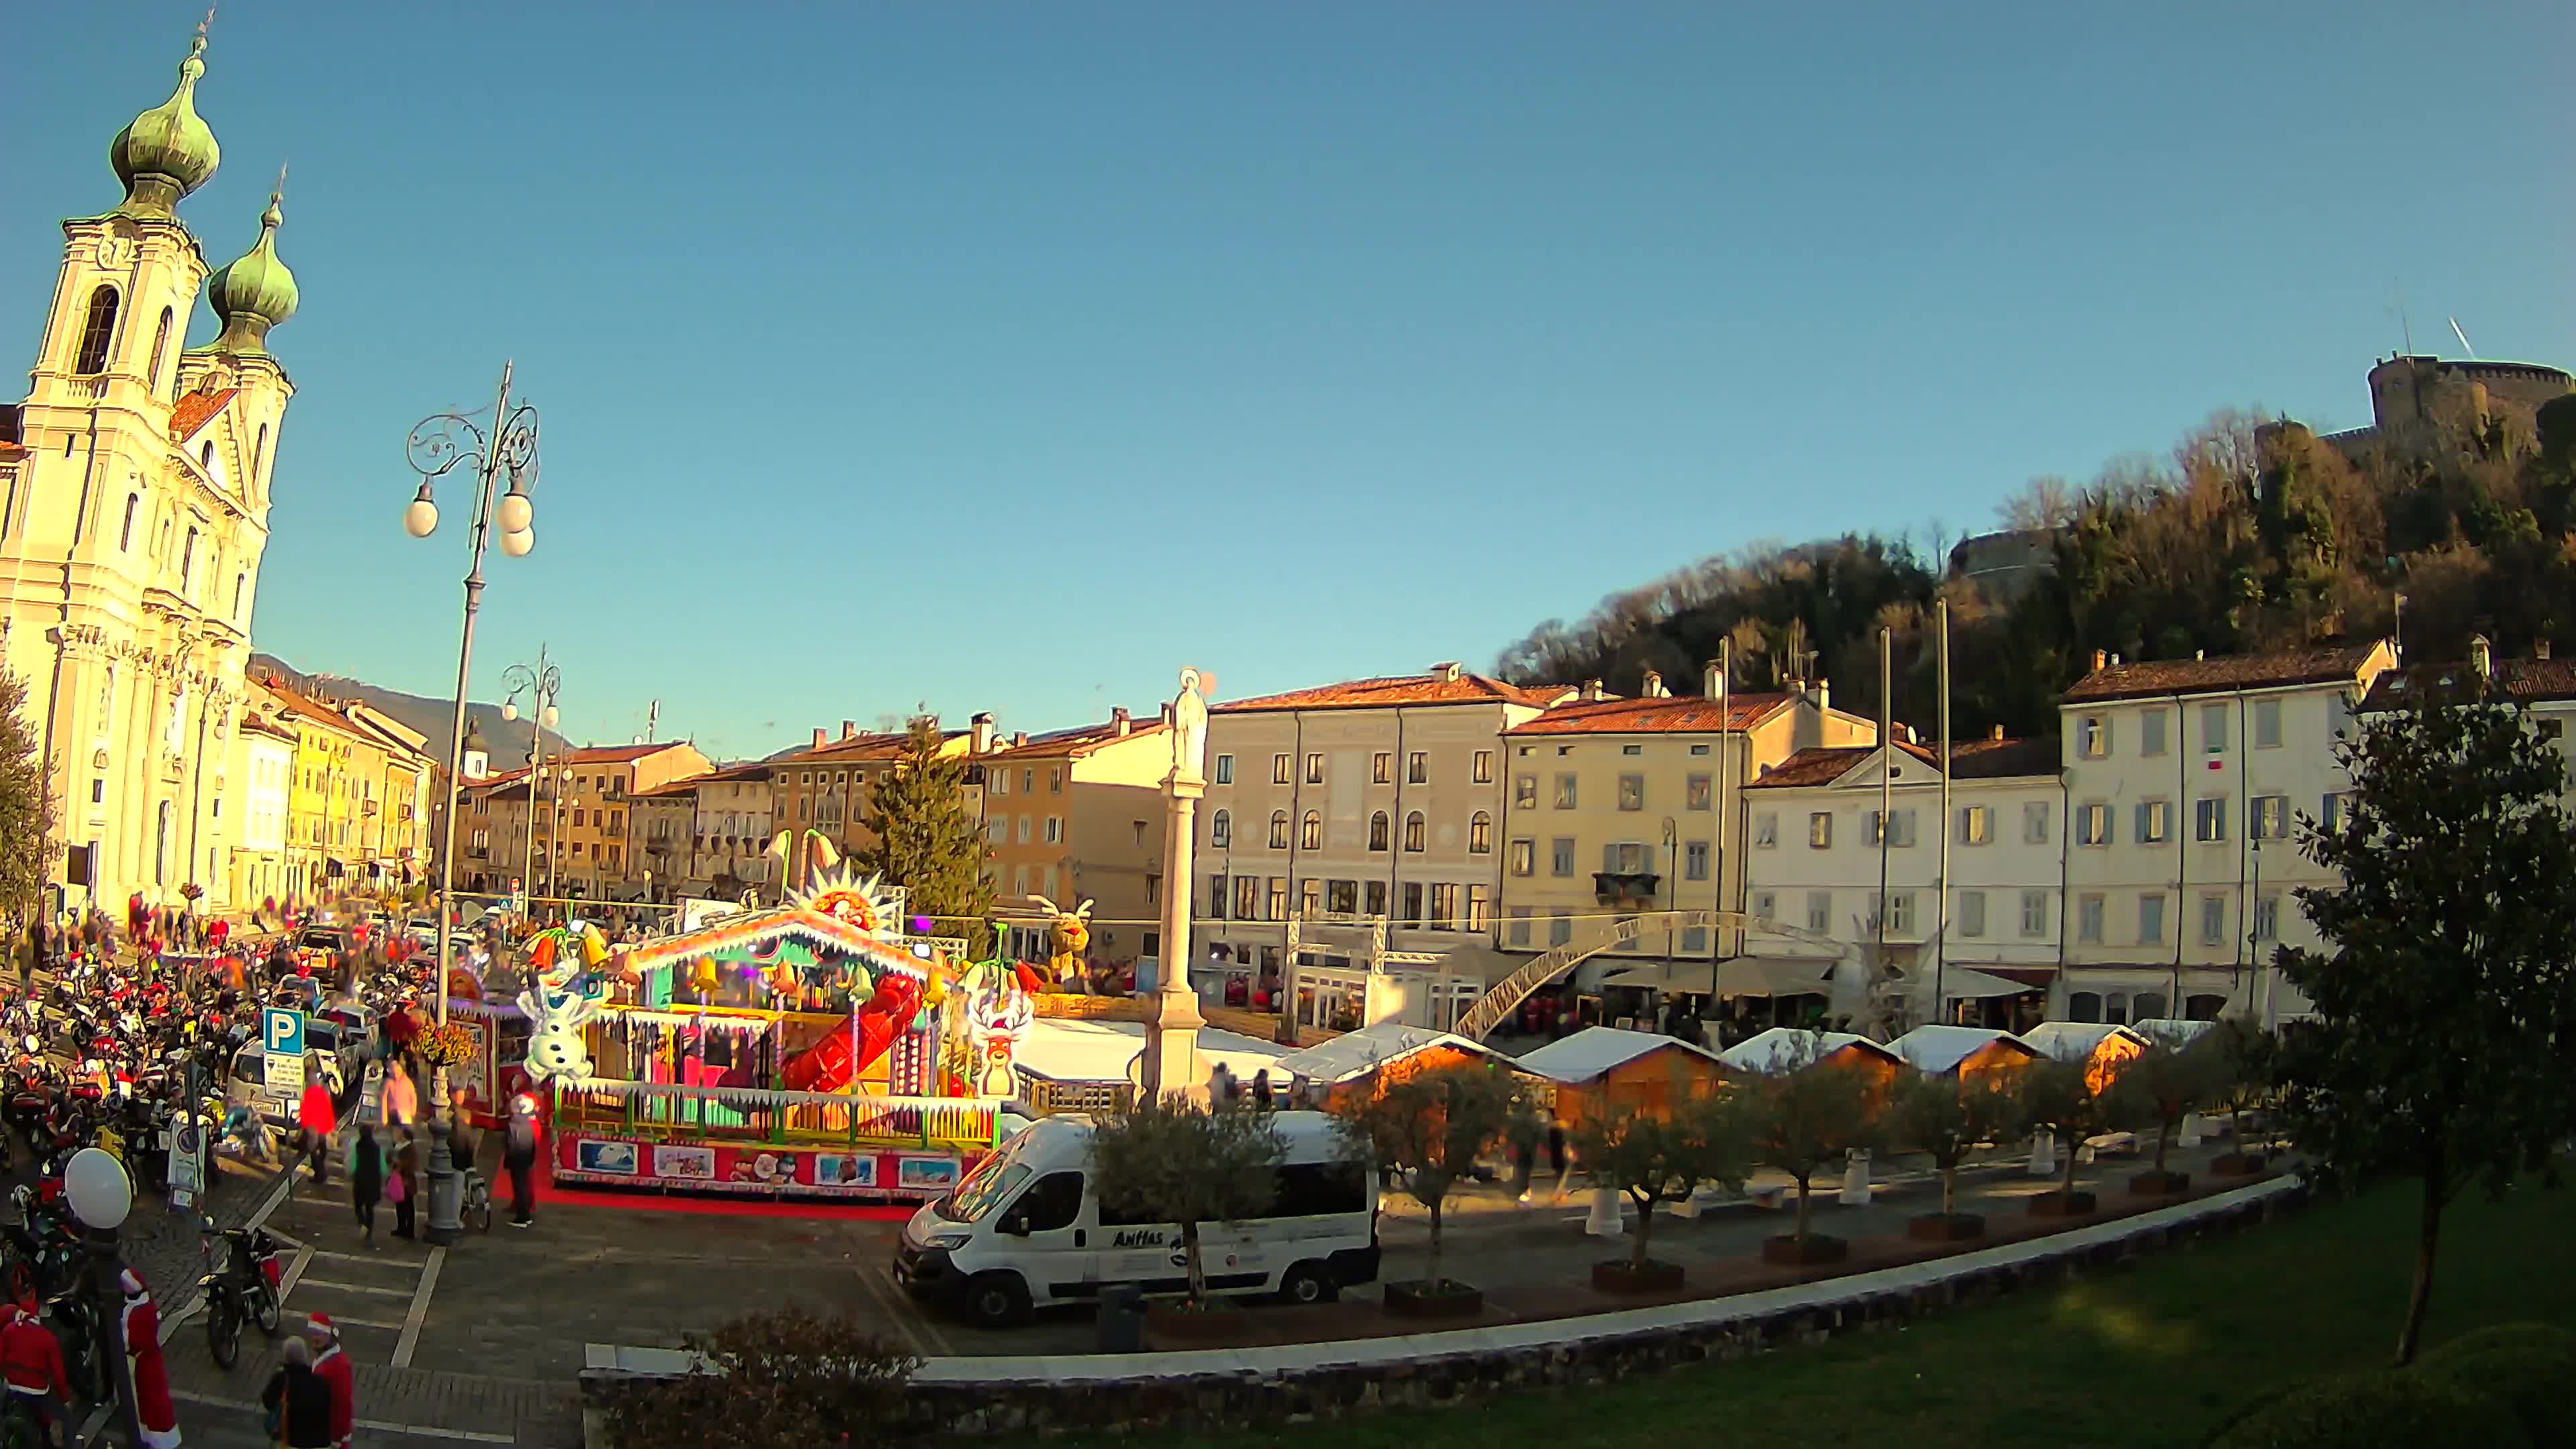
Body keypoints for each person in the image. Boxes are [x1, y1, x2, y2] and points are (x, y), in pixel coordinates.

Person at [117, 1270, 180, 1449]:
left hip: (141, 1366)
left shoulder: (136, 1313)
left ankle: (153, 1441)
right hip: (151, 1363)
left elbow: (128, 1342)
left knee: (147, 1406)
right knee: (156, 1404)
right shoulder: (147, 1305)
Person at [0, 1299, 68, 1448]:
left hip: (13, 1388)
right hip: (38, 1392)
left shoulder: (9, 1330)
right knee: (52, 1421)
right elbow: (59, 1374)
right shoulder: (47, 1338)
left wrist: (9, 1376)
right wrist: (65, 1398)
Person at [262, 1338, 334, 1449]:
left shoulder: (282, 1378)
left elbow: (268, 1402)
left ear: (285, 1357)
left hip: (293, 1442)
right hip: (321, 1443)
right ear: (305, 1355)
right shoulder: (320, 1378)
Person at [305, 1315, 354, 1449]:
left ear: (329, 1336)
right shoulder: (326, 1360)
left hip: (332, 1437)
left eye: (320, 1334)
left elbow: (343, 1403)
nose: (315, 1338)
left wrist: (337, 1438)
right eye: (313, 1333)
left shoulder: (339, 1365)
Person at [502, 1091, 541, 1228]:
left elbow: (510, 1145)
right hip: (526, 1160)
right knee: (524, 1186)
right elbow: (532, 1145)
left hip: (517, 1161)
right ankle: (525, 1214)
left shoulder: (513, 1125)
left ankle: (523, 1217)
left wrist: (508, 1162)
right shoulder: (530, 1124)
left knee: (520, 1187)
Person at [297, 1073, 337, 1187]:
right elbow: (328, 1111)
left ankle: (320, 1175)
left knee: (314, 1152)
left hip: (313, 1129)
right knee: (322, 1150)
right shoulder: (322, 1093)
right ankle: (321, 1172)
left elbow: (305, 1112)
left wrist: (304, 1125)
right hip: (322, 1129)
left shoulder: (309, 1094)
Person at [347, 1127, 385, 1247]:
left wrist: (351, 1174)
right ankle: (369, 1232)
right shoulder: (377, 1148)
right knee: (370, 1208)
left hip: (360, 1182)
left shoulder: (357, 1147)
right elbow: (383, 1167)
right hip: (373, 1183)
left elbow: (353, 1165)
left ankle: (363, 1223)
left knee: (358, 1206)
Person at [389, 1130, 420, 1240]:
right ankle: (401, 1227)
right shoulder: (399, 1147)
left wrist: (398, 1163)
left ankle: (409, 1230)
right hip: (401, 1181)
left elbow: (409, 1165)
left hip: (407, 1182)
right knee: (400, 1206)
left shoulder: (409, 1149)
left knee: (408, 1206)